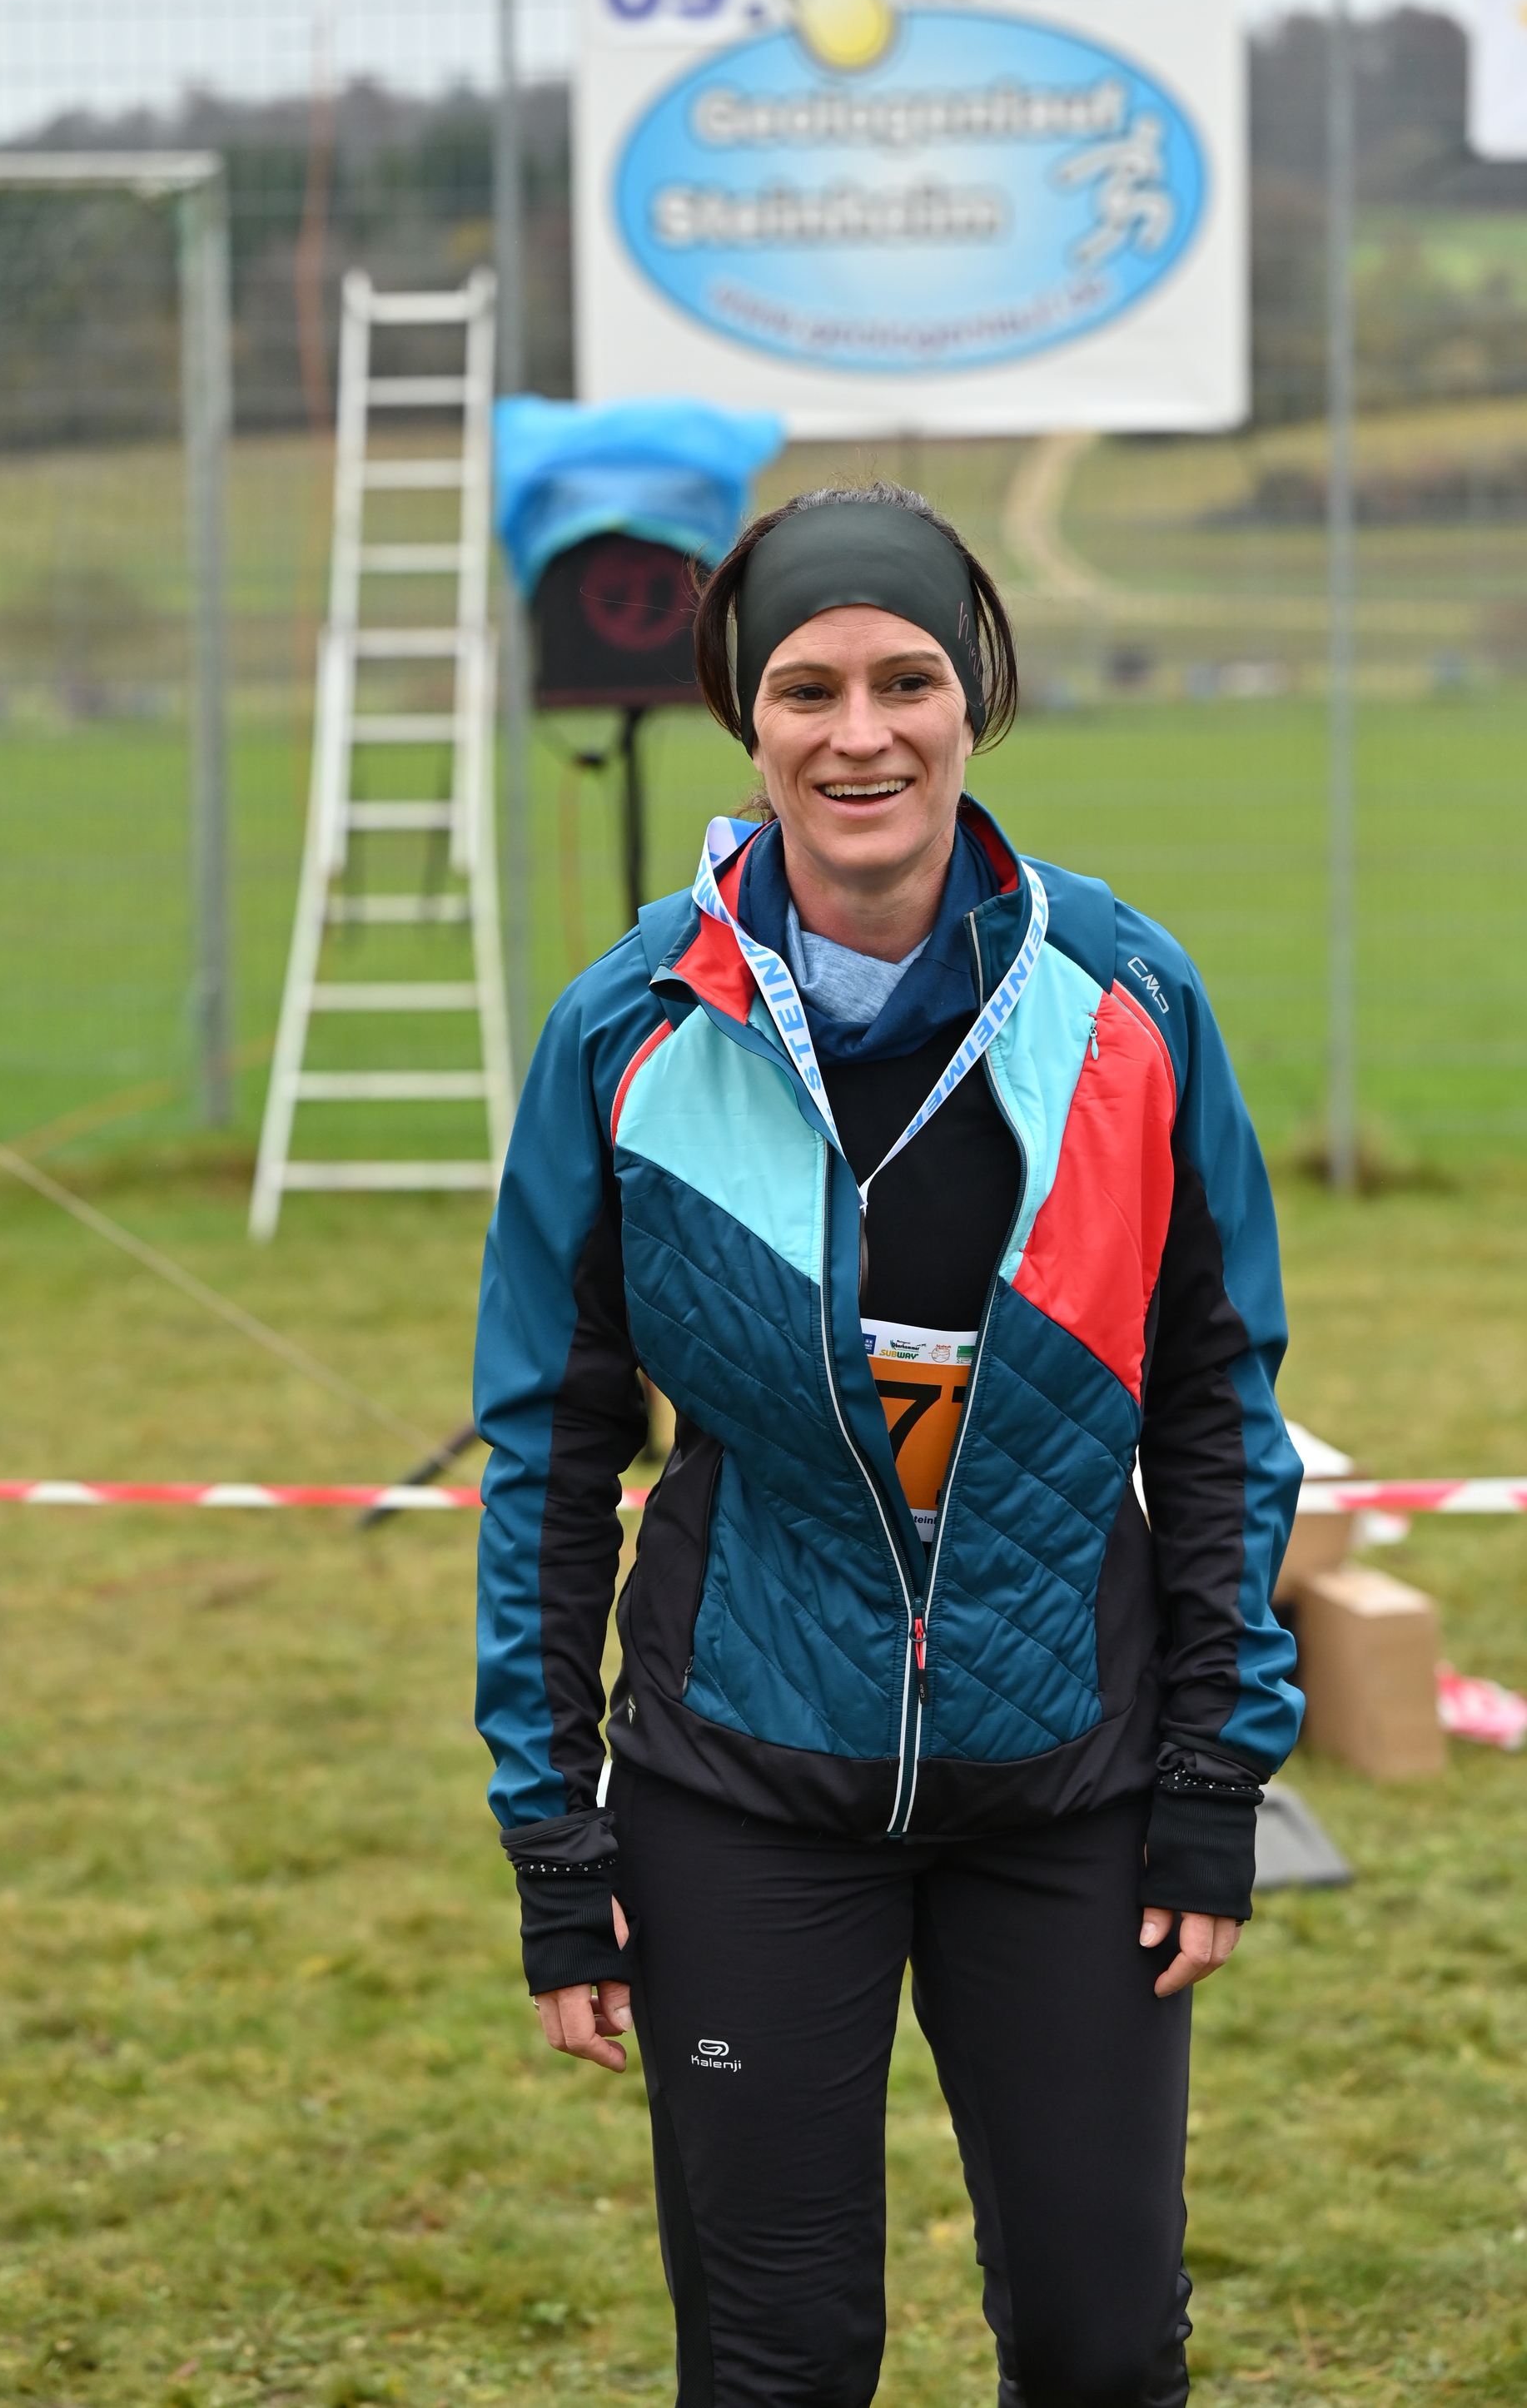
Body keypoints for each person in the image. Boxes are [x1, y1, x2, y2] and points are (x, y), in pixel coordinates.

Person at [475, 483, 1303, 2408]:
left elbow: (1214, 1400)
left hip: (1072, 1784)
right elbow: (555, 1450)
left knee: (1103, 2351)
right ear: (745, 720)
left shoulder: (1129, 998)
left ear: (974, 698)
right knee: (778, 2363)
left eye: (908, 680)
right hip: (740, 1791)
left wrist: (1213, 1773)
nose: (863, 735)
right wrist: (550, 1826)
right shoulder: (627, 1029)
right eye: (809, 688)